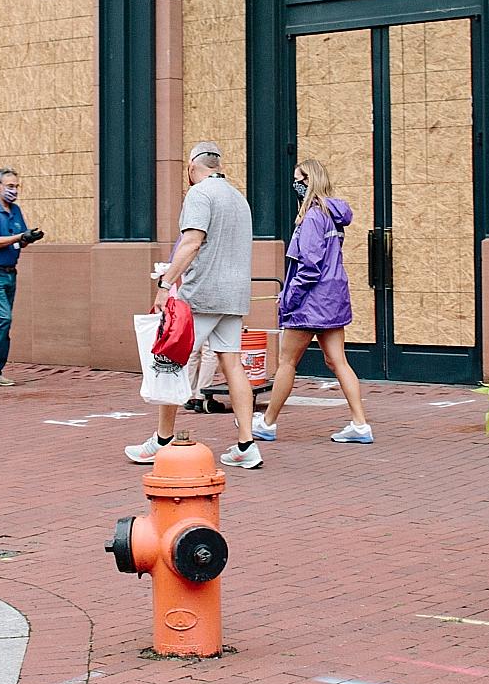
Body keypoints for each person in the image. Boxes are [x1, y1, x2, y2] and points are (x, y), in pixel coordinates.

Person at [125, 141, 261, 469]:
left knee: (171, 360)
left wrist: (165, 284)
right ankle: (246, 443)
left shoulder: (200, 195)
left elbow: (191, 242)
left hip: (202, 294)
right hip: (235, 295)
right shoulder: (238, 198)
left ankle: (162, 440)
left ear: (191, 167)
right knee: (232, 363)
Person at [252, 159, 372, 444]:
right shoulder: (333, 215)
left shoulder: (312, 218)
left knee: (287, 363)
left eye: (298, 179)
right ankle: (360, 424)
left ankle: (267, 423)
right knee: (338, 361)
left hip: (309, 302)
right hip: (333, 299)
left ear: (309, 181)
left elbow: (308, 267)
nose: (295, 184)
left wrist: (288, 300)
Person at [0, 168, 42, 386]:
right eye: (10, 186)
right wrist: (21, 236)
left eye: (16, 187)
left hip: (9, 272)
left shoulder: (15, 210)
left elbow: (17, 240)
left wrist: (29, 238)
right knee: (3, 318)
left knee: (3, 321)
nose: (14, 191)